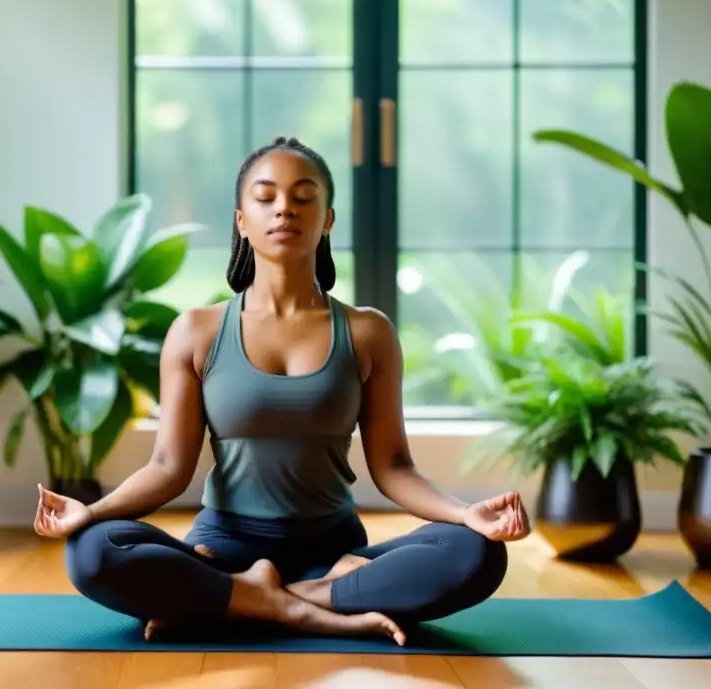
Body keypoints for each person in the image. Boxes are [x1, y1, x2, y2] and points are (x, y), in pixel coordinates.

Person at [33, 136, 530, 646]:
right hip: (222, 550)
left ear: (327, 219)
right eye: (265, 197)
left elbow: (394, 469)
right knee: (92, 549)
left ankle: (240, 601)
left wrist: (465, 514)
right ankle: (306, 608)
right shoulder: (197, 332)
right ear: (242, 221)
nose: (284, 209)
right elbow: (167, 468)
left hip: (333, 555)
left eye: (303, 196)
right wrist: (89, 513)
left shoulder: (367, 332)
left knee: (478, 552)